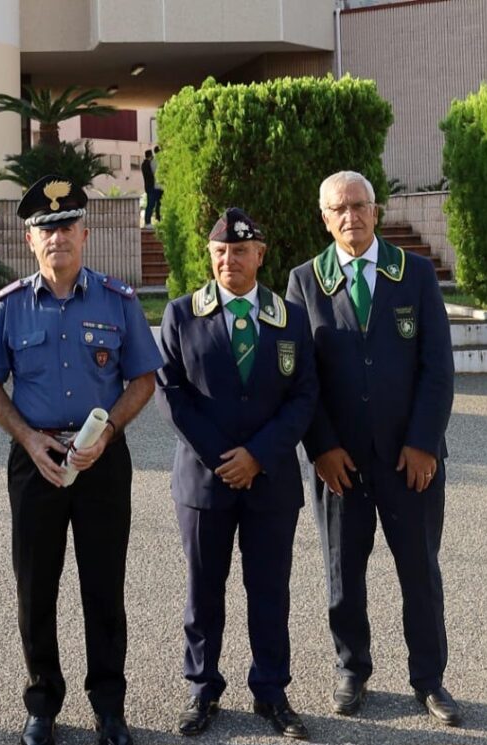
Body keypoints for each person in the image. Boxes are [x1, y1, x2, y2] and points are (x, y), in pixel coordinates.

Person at [0, 175, 162, 745]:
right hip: (36, 460)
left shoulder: (117, 299)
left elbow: (143, 379)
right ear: (31, 241)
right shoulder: (10, 307)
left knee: (104, 586)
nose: (56, 237)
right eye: (44, 229)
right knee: (37, 586)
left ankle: (109, 707)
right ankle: (42, 703)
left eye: (65, 227)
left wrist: (108, 435)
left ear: (85, 233)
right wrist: (29, 439)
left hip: (101, 458)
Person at [286, 171, 459, 726]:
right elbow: (301, 381)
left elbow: (438, 368)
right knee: (343, 573)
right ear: (324, 217)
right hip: (340, 464)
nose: (350, 218)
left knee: (420, 570)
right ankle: (351, 669)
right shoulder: (305, 281)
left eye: (360, 206)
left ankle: (429, 679)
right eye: (339, 209)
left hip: (410, 461)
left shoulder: (415, 274)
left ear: (377, 211)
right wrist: (322, 448)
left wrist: (424, 444)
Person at [155, 208, 318, 740]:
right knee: (204, 590)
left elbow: (304, 397)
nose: (231, 259)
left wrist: (258, 456)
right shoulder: (181, 315)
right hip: (205, 483)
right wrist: (225, 458)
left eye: (241, 250)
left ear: (260, 254)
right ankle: (202, 690)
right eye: (221, 251)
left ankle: (271, 691)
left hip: (270, 481)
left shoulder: (289, 317)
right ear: (210, 255)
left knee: (269, 590)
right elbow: (171, 394)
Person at [142, 149, 158, 229]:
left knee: (151, 204)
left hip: (149, 186)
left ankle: (148, 222)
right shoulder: (146, 164)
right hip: (150, 187)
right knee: (150, 204)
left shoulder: (145, 164)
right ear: (150, 156)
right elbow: (150, 175)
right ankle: (147, 222)